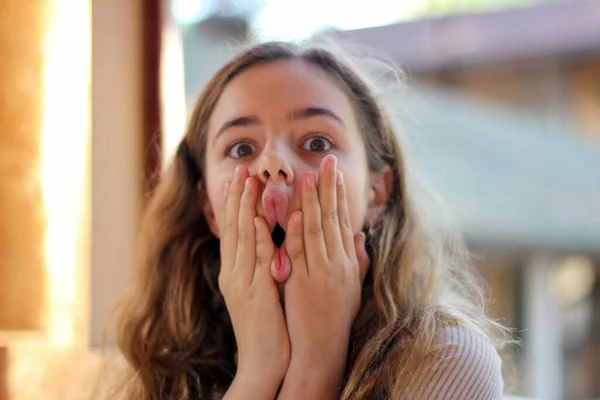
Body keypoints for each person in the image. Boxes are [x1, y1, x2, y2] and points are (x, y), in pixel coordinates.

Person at [113, 39, 510, 399]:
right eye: (241, 148)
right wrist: (260, 369)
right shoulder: (166, 365)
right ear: (209, 208)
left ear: (377, 192)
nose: (273, 164)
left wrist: (316, 362)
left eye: (317, 143)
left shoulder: (445, 360)